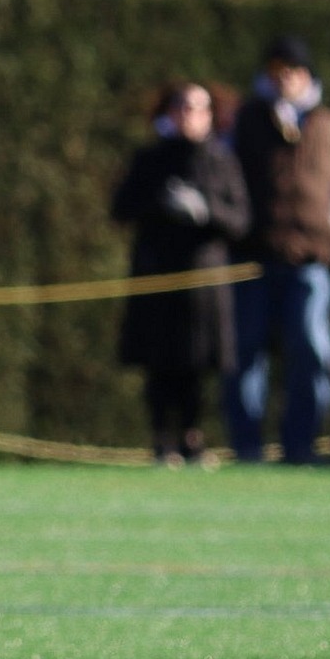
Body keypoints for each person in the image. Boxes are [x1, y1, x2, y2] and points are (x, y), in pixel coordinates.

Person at [222, 36, 330, 464]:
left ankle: (301, 445)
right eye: (276, 69)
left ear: (306, 76)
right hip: (254, 257)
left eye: (291, 71)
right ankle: (247, 447)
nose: (283, 78)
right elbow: (227, 178)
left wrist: (329, 230)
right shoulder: (246, 119)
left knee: (311, 349)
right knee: (245, 351)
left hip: (309, 260)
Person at [111, 83, 250, 467]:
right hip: (157, 276)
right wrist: (160, 203)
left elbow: (240, 220)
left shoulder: (221, 161)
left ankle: (193, 438)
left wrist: (206, 212)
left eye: (198, 108)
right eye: (183, 107)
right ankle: (161, 439)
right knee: (160, 362)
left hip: (204, 282)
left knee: (197, 365)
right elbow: (121, 208)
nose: (190, 115)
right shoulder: (150, 160)